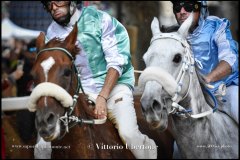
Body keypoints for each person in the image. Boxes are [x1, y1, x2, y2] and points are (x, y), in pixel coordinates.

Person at [40, 1, 157, 159]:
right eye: (49, 4)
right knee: (42, 146)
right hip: (79, 91)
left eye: (58, 1)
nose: (53, 7)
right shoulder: (51, 32)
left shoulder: (101, 19)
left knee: (128, 134)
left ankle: (150, 152)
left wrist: (102, 96)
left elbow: (117, 62)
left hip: (115, 86)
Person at [169, 1, 239, 124]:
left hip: (226, 89)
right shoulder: (173, 37)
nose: (182, 11)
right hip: (193, 96)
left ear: (201, 8)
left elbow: (230, 61)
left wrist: (207, 79)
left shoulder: (216, 26)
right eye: (177, 7)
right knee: (176, 142)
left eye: (188, 6)